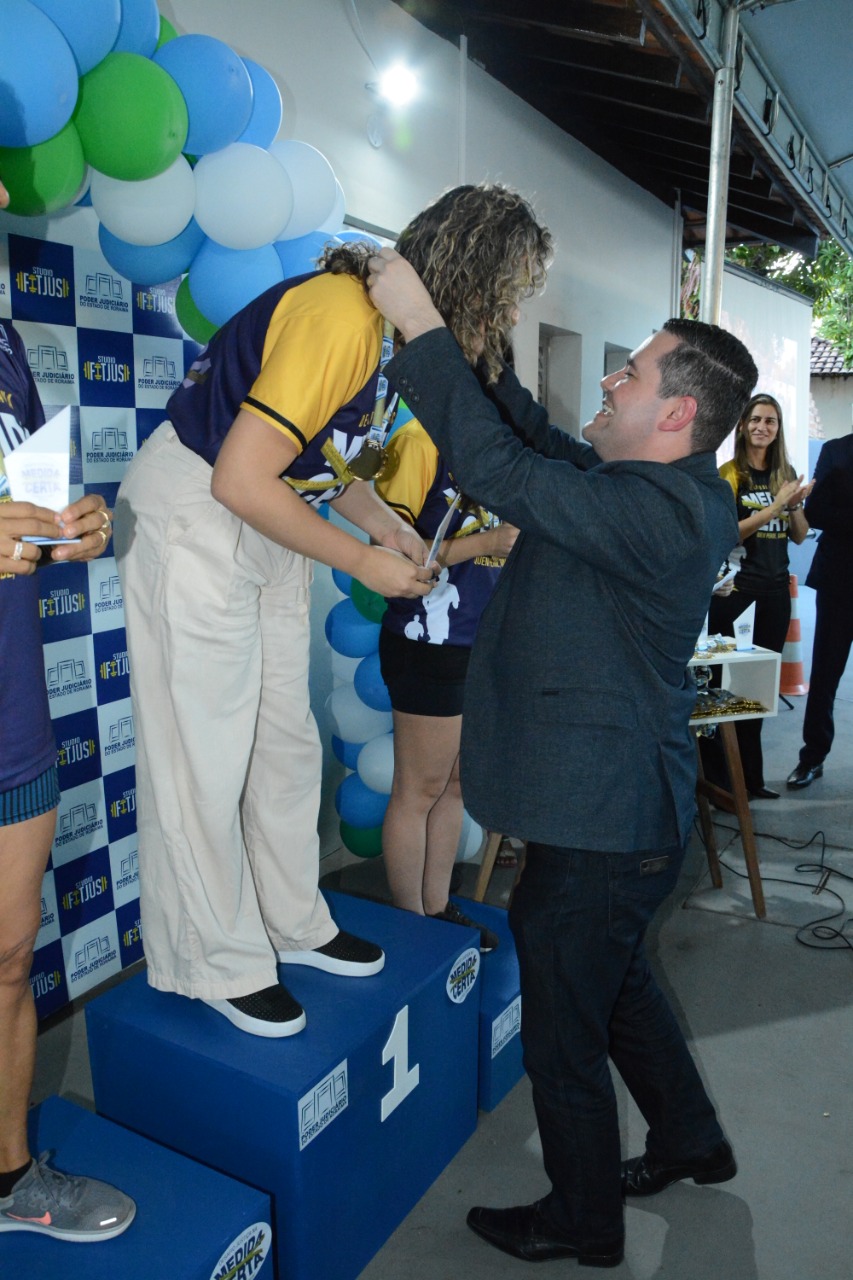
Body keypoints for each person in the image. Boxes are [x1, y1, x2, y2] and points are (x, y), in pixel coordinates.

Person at [366, 245, 758, 1268]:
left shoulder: (656, 511)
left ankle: (581, 1218)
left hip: (604, 825)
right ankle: (691, 1138)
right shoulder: (652, 483)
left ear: (675, 413)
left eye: (630, 372)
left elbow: (501, 469)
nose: (611, 379)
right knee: (619, 981)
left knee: (563, 1035)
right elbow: (534, 439)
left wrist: (422, 329)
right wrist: (482, 355)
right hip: (619, 817)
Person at [113, 183, 544, 1039]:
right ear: (472, 274)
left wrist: (387, 530)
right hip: (196, 505)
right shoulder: (341, 315)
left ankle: (290, 922)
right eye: (510, 292)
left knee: (283, 742)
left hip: (265, 517)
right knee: (202, 754)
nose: (510, 313)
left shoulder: (387, 340)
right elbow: (239, 474)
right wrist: (363, 562)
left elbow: (324, 462)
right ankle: (213, 960)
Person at [0, 174, 135, 1242]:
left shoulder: (3, 339)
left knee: (7, 958)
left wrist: (71, 525)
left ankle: (9, 1179)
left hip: (13, 708)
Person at [375, 420, 518, 953]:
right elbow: (386, 548)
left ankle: (437, 908)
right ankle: (410, 921)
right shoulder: (419, 442)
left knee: (455, 785)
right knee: (419, 790)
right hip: (426, 643)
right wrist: (486, 541)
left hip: (478, 644)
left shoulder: (486, 446)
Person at [706, 394, 811, 799]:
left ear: (778, 428)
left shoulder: (786, 473)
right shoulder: (729, 474)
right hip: (735, 592)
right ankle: (720, 781)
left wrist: (795, 505)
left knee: (759, 688)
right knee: (723, 687)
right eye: (755, 420)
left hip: (774, 593)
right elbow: (726, 533)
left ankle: (751, 780)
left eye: (770, 421)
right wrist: (773, 509)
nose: (762, 427)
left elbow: (799, 534)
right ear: (743, 426)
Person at [786, 430, 853, 788]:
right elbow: (816, 511)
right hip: (840, 579)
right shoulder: (837, 450)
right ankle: (812, 757)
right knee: (826, 675)